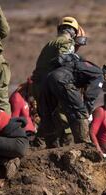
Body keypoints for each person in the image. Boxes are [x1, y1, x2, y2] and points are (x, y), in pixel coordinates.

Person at [32, 17, 82, 146]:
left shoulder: (51, 43)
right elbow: (63, 62)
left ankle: (41, 145)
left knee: (48, 118)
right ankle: (63, 147)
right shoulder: (67, 42)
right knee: (63, 117)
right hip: (50, 86)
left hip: (39, 85)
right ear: (74, 33)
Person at [42, 53, 105, 145]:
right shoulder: (100, 75)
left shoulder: (86, 67)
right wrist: (86, 113)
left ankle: (50, 145)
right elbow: (90, 96)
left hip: (48, 78)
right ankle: (83, 144)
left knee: (49, 113)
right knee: (80, 111)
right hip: (63, 79)